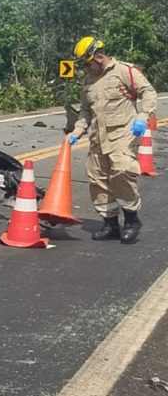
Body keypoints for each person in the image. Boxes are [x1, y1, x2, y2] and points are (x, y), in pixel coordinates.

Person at [67, 36, 157, 244]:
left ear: (99, 57)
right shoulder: (88, 80)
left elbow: (149, 94)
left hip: (122, 134)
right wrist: (77, 131)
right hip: (98, 138)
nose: (86, 69)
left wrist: (142, 117)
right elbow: (85, 112)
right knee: (97, 180)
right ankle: (110, 223)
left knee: (122, 172)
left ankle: (132, 220)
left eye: (87, 64)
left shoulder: (125, 71)